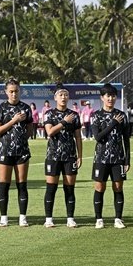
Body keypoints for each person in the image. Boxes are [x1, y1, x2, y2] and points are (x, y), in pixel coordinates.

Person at [0, 78, 35, 227]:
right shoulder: (1, 108)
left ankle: (22, 217)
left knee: (22, 184)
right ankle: (3, 217)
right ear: (6, 92)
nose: (14, 94)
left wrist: (20, 139)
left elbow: (30, 130)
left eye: (16, 91)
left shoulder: (26, 108)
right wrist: (13, 120)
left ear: (20, 91)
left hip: (22, 151)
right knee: (4, 184)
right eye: (11, 91)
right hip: (5, 150)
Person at [90, 83, 131, 229]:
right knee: (100, 187)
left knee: (118, 187)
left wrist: (127, 159)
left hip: (118, 158)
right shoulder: (96, 116)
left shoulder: (122, 115)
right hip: (100, 158)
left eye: (113, 96)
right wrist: (113, 123)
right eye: (108, 96)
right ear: (102, 98)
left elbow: (126, 139)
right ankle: (99, 218)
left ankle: (118, 218)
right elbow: (98, 137)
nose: (111, 98)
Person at [42, 85, 82, 228]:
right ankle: (48, 218)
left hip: (70, 156)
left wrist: (79, 156)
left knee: (69, 188)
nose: (63, 97)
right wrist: (64, 122)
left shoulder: (74, 115)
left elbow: (78, 137)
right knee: (51, 188)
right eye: (60, 95)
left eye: (65, 95)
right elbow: (50, 132)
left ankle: (70, 218)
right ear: (55, 98)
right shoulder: (49, 114)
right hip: (53, 155)